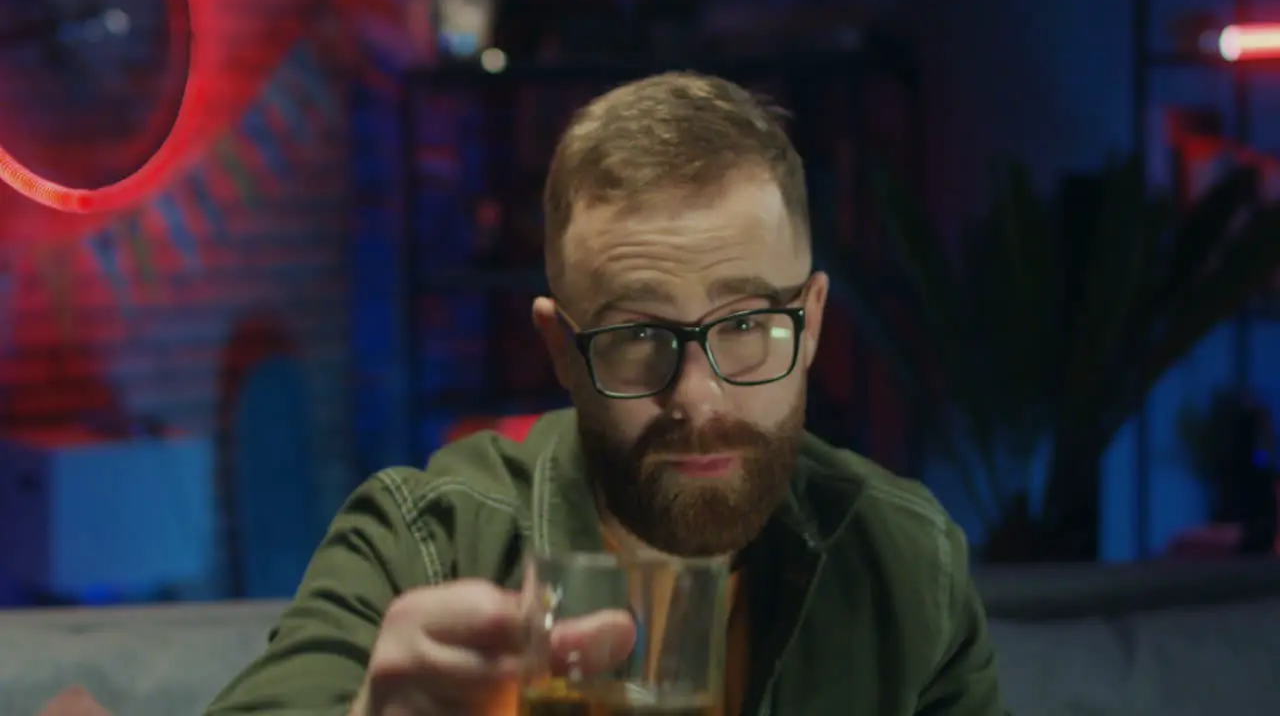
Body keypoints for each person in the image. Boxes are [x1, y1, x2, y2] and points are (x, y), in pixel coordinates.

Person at [205, 71, 1006, 716]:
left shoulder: (904, 563)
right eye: (636, 338)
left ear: (813, 322)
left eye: (747, 325)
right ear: (560, 348)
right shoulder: (425, 544)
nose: (699, 397)